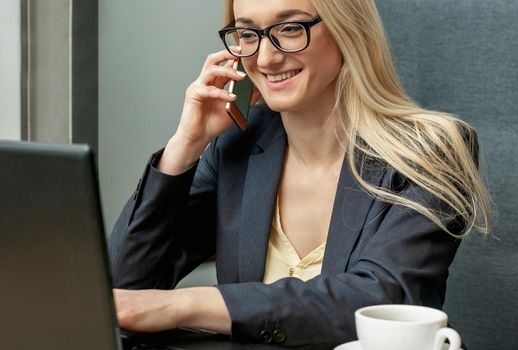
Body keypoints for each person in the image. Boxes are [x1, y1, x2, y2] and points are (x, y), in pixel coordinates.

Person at [108, 0, 492, 347]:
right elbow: (124, 288)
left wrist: (188, 303)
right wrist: (185, 146)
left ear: (347, 29)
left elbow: (382, 299)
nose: (265, 57)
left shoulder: (430, 150)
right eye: (247, 34)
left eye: (290, 28)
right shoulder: (236, 147)